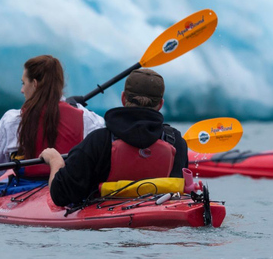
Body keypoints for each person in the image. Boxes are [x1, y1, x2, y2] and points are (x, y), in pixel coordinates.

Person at [39, 68, 188, 206]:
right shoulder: (175, 141)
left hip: (108, 223)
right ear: (161, 104)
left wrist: (55, 160)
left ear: (123, 98)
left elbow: (61, 195)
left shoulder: (99, 140)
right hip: (158, 220)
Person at [0, 55, 104, 176]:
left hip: (26, 189)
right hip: (69, 188)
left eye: (23, 83)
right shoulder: (86, 117)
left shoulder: (13, 120)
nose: (22, 90)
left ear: (35, 84)